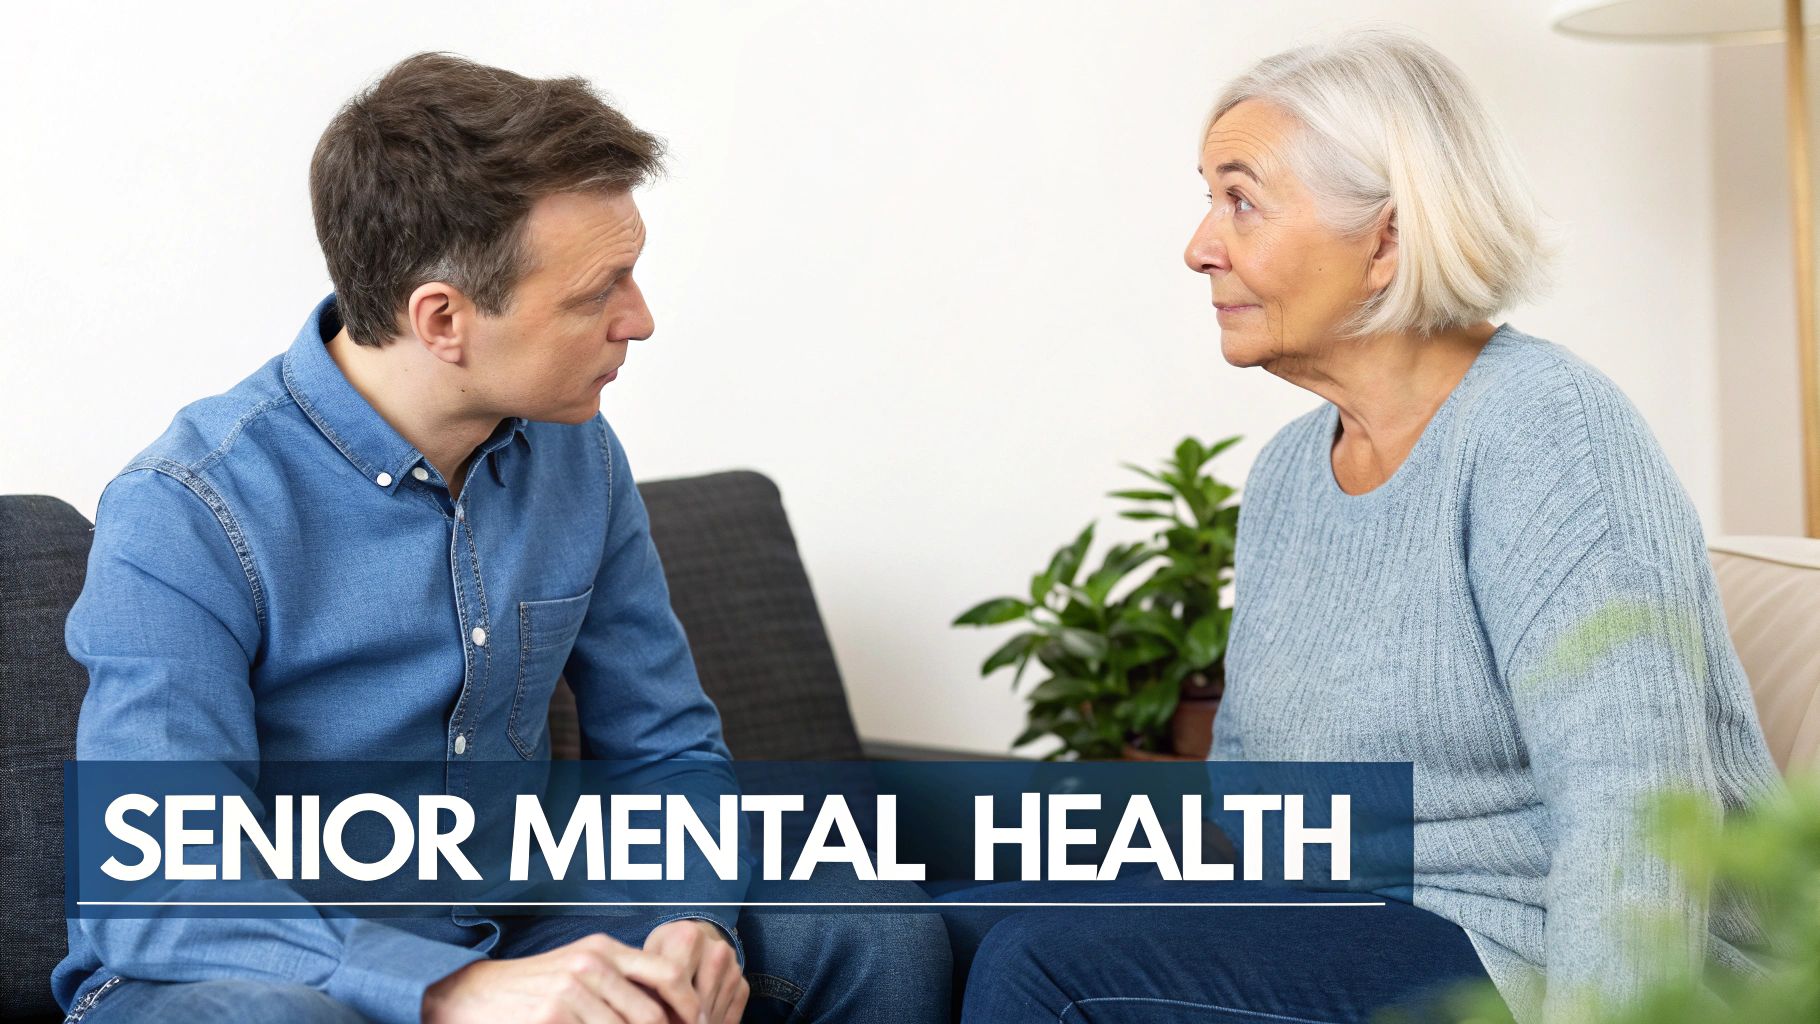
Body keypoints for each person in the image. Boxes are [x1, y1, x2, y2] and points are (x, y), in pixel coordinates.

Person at [54, 52, 950, 1024]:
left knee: (869, 927)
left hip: (506, 923)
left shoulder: (577, 456)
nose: (639, 321)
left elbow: (662, 748)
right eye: (594, 293)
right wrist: (452, 991)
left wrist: (693, 919)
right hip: (241, 968)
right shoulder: (189, 506)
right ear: (442, 318)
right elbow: (154, 888)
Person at [955, 28, 1783, 1024]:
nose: (1197, 245)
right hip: (1341, 915)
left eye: (1240, 198)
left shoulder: (1544, 429)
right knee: (943, 923)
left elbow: (1640, 808)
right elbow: (1253, 796)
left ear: (1385, 239)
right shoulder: (1285, 478)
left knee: (1046, 967)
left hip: (1519, 948)